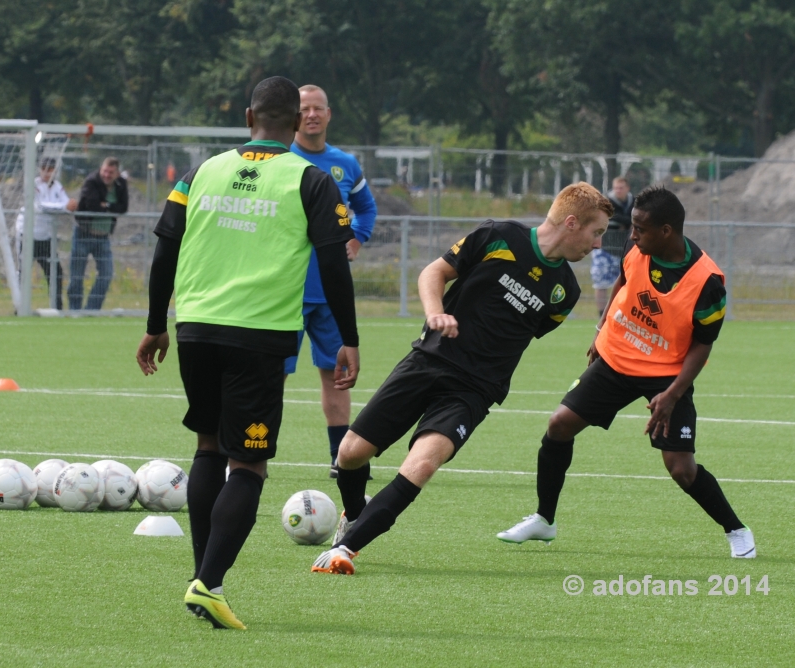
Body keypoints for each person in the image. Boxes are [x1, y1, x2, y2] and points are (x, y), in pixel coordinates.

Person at [135, 76, 359, 629]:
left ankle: (202, 577)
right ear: (294, 122)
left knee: (209, 445)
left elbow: (164, 247)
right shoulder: (309, 179)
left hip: (195, 331)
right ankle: (209, 584)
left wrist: (155, 324)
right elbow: (333, 263)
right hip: (257, 338)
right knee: (250, 462)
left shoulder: (201, 172)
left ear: (247, 117)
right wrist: (348, 338)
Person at [310, 182, 613, 576]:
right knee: (350, 454)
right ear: (572, 223)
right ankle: (354, 513)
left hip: (473, 391)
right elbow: (433, 273)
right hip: (427, 361)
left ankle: (346, 549)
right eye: (597, 232)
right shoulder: (498, 236)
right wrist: (436, 313)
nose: (597, 244)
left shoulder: (564, 292)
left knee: (421, 464)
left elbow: (524, 334)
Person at [496, 186, 755, 559]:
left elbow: (703, 344)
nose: (631, 235)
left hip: (667, 375)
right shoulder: (639, 250)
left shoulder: (707, 281)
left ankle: (736, 529)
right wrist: (602, 329)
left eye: (640, 229)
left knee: (680, 468)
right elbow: (623, 282)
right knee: (559, 425)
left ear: (666, 231)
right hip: (617, 360)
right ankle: (544, 519)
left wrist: (673, 394)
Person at [287, 84, 377, 478]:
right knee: (269, 374)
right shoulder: (280, 158)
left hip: (329, 294)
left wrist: (357, 238)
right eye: (304, 109)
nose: (311, 115)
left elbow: (366, 208)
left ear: (328, 114)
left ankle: (341, 457)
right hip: (282, 291)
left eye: (317, 108)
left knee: (336, 375)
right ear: (294, 114)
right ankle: (253, 453)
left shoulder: (345, 164)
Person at [15, 157, 77, 309]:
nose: (47, 173)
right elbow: (41, 207)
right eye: (44, 169)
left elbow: (67, 203)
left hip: (45, 237)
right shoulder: (33, 184)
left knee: (55, 271)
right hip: (27, 235)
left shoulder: (57, 186)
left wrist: (66, 206)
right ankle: (20, 307)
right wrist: (64, 207)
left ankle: (57, 307)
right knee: (23, 274)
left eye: (50, 170)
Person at [67, 157, 128, 310]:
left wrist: (106, 204)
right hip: (84, 234)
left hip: (103, 237)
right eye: (105, 171)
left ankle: (91, 310)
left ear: (117, 173)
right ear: (101, 169)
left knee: (106, 274)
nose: (107, 175)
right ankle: (75, 310)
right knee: (76, 277)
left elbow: (123, 207)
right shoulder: (91, 181)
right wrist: (109, 207)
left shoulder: (121, 184)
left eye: (111, 172)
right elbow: (92, 205)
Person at [591, 176, 633, 315]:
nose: (618, 190)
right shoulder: (607, 202)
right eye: (616, 188)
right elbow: (615, 216)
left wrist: (625, 222)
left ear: (627, 188)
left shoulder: (632, 201)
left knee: (625, 284)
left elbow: (634, 217)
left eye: (621, 188)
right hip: (605, 249)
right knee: (601, 282)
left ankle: (619, 312)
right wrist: (626, 222)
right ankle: (601, 313)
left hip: (624, 250)